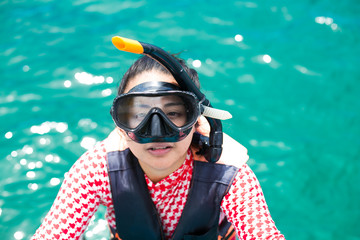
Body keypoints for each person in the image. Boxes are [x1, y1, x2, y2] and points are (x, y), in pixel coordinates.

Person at [32, 37, 285, 240]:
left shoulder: (227, 171)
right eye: (139, 115)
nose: (156, 132)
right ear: (120, 125)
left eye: (174, 113)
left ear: (197, 119)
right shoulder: (97, 169)